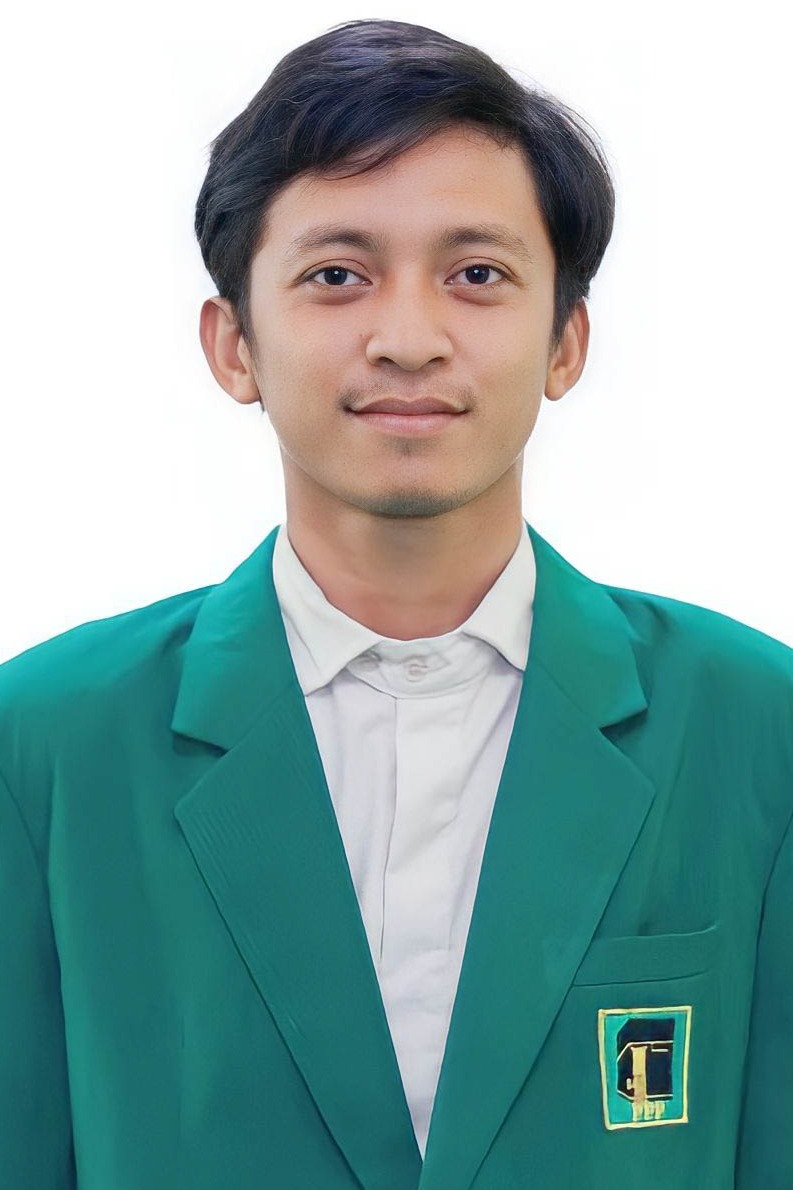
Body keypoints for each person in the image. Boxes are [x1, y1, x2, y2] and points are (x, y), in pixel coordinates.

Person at [0, 17, 790, 1189]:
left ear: (565, 340)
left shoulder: (756, 725)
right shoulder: (45, 741)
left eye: (477, 275)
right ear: (233, 344)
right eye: (337, 275)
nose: (409, 340)